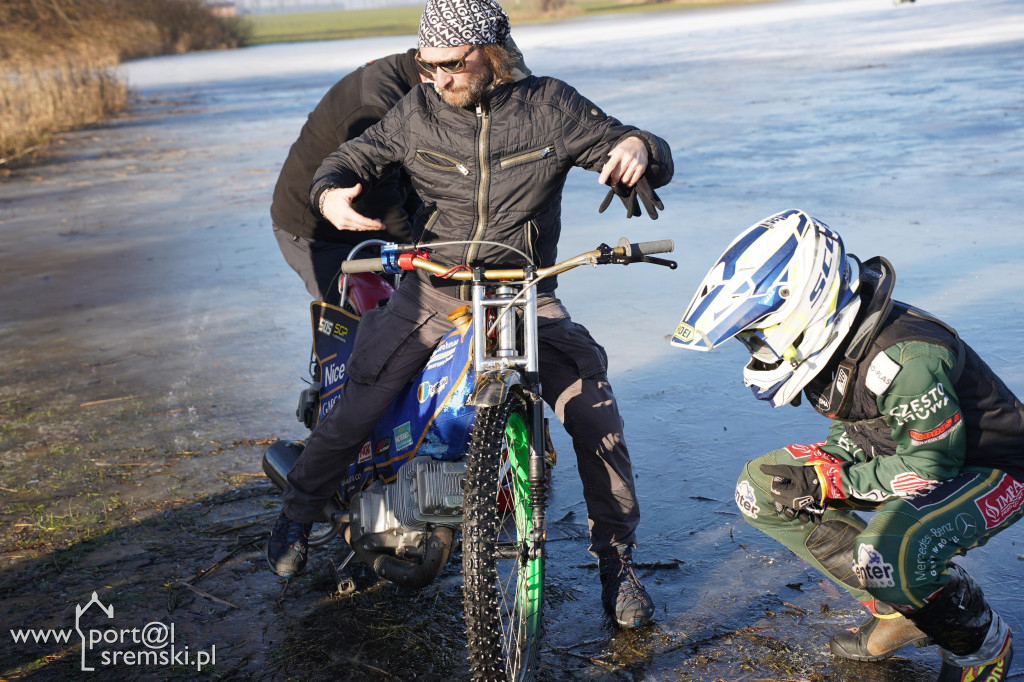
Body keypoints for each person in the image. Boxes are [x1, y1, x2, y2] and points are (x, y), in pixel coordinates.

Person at [266, 0, 674, 629]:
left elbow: (629, 141)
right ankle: (298, 512)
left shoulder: (550, 106)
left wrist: (638, 150)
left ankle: (618, 568)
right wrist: (331, 190)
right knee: (361, 401)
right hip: (436, 288)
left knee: (596, 419)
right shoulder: (418, 109)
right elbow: (353, 156)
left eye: (452, 66)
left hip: (524, 291)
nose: (439, 80)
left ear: (491, 52)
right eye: (428, 68)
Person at [671, 209, 1020, 681]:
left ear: (801, 305)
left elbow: (932, 466)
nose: (756, 349)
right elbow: (856, 422)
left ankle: (980, 643)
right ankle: (899, 611)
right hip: (910, 451)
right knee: (762, 487)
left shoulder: (905, 357)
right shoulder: (837, 338)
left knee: (886, 554)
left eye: (758, 335)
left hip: (991, 470)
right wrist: (830, 465)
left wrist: (830, 480)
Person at [270, 49, 426, 305]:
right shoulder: (374, 104)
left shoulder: (417, 77)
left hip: (377, 210)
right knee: (371, 317)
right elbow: (380, 202)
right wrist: (416, 255)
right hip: (318, 230)